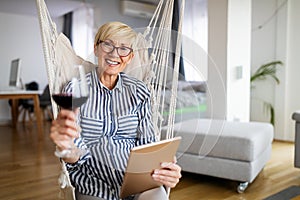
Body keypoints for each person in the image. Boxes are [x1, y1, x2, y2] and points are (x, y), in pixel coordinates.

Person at [50, 21, 182, 200]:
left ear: (129, 57)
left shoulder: (140, 91)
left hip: (139, 183)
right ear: (96, 49)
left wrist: (165, 168)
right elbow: (75, 155)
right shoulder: (76, 89)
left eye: (123, 49)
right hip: (93, 186)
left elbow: (148, 145)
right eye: (108, 45)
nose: (114, 54)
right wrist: (66, 146)